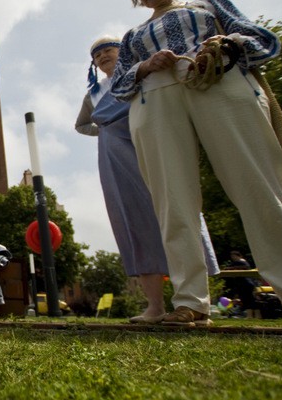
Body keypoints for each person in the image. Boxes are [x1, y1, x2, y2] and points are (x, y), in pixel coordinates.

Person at [111, 0, 282, 326]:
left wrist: (225, 42)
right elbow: (118, 85)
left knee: (259, 184)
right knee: (172, 200)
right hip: (156, 94)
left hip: (218, 80)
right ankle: (190, 302)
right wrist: (145, 66)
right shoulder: (132, 36)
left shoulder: (208, 5)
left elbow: (263, 41)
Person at [76, 36, 219, 324]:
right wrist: (105, 131)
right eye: (97, 55)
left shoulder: (144, 74)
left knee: (176, 207)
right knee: (134, 220)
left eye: (108, 51)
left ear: (123, 53)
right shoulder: (93, 94)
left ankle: (194, 301)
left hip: (152, 142)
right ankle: (154, 306)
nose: (103, 56)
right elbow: (81, 125)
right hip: (116, 157)